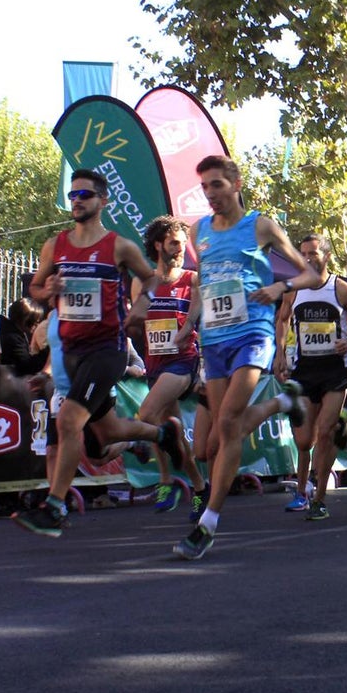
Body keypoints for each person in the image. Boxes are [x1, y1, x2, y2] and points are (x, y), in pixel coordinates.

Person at [14, 169, 194, 538]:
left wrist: (141, 308)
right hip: (71, 351)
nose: (77, 201)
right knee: (107, 432)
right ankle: (164, 436)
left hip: (106, 349)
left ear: (102, 201)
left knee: (67, 422)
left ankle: (55, 506)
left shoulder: (119, 247)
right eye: (72, 195)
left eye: (85, 195)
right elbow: (35, 288)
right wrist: (49, 290)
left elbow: (151, 278)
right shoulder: (55, 245)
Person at [174, 155, 318, 558]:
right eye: (204, 187)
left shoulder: (260, 225)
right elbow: (204, 282)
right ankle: (281, 401)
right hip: (215, 339)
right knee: (223, 434)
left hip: (253, 332)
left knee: (229, 422)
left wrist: (279, 288)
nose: (210, 194)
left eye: (217, 185)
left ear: (236, 183)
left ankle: (209, 522)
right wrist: (189, 324)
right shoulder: (197, 230)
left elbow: (312, 274)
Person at [275, 233, 347, 520]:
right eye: (303, 253)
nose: (307, 258)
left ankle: (318, 498)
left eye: (313, 253)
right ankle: (307, 486)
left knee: (326, 431)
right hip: (305, 370)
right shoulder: (294, 290)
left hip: (334, 371)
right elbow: (282, 320)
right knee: (304, 441)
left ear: (326, 256)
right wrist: (280, 354)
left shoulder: (341, 290)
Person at [135, 216, 210, 518]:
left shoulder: (191, 280)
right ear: (158, 246)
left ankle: (167, 481)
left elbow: (199, 307)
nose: (180, 250)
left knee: (146, 414)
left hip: (183, 360)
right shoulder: (144, 282)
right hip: (155, 364)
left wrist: (187, 327)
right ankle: (199, 487)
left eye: (183, 244)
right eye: (174, 244)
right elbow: (136, 319)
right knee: (170, 433)